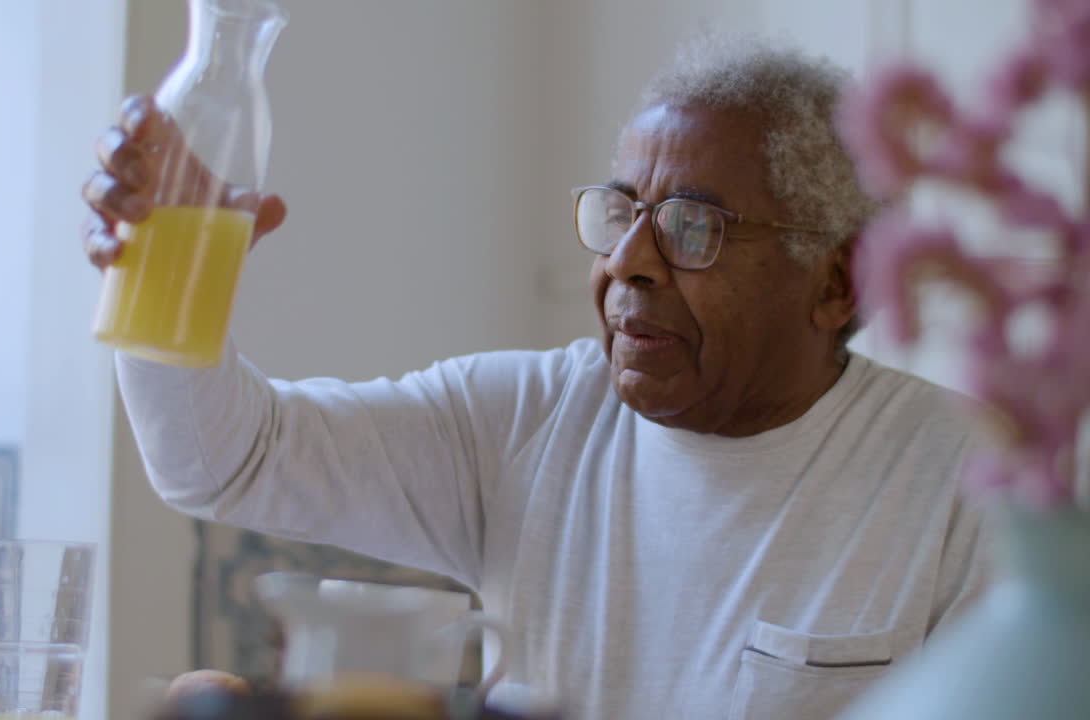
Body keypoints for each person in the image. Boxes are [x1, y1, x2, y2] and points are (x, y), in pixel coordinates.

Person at [83, 34, 990, 720]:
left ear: (839, 280)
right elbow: (227, 461)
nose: (628, 263)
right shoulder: (528, 418)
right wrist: (159, 269)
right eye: (622, 211)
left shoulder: (973, 483)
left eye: (691, 227)